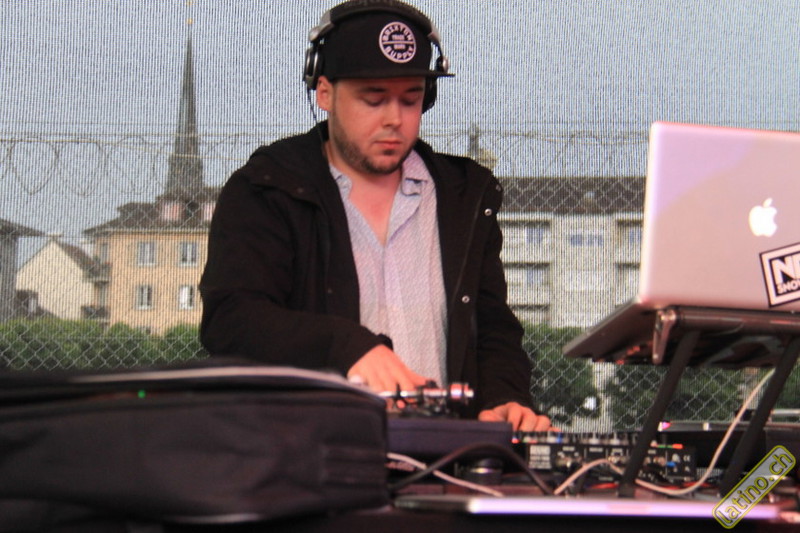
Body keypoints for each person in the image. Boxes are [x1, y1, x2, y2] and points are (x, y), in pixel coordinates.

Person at [199, 0, 552, 431]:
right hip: (313, 456)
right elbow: (232, 320)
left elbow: (493, 329)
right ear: (324, 92)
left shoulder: (465, 197)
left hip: (446, 456)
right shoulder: (269, 188)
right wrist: (346, 348)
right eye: (373, 99)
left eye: (410, 99)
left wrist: (504, 399)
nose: (394, 120)